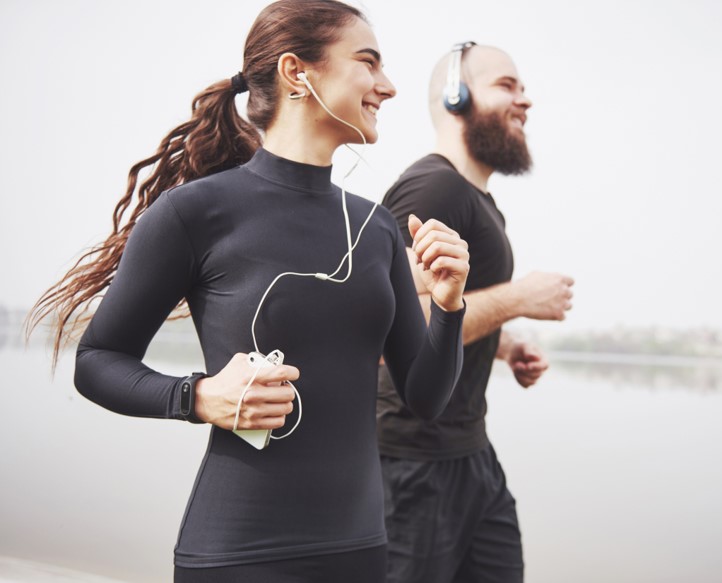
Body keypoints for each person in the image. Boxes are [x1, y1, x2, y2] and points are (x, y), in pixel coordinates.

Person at [26, 2, 471, 581]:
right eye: (368, 63)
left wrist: (449, 304)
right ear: (296, 72)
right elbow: (97, 361)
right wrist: (198, 397)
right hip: (238, 553)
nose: (387, 86)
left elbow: (425, 397)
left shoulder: (376, 226)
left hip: (359, 548)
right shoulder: (196, 213)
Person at [376, 42, 575, 583]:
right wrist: (517, 299)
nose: (525, 100)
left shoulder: (477, 199)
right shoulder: (434, 186)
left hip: (470, 455)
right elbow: (384, 332)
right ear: (456, 96)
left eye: (523, 88)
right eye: (507, 86)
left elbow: (448, 307)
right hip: (410, 463)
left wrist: (506, 345)